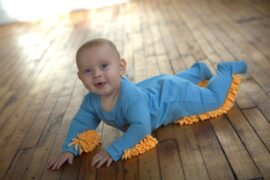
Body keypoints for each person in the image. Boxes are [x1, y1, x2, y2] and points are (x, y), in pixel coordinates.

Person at [47, 38, 247, 170]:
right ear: (80, 77)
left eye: (104, 66)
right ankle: (198, 70)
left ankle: (225, 70)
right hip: (156, 86)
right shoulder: (92, 100)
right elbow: (81, 122)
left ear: (121, 67)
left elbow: (142, 127)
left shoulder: (130, 97)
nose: (97, 74)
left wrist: (114, 149)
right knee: (169, 80)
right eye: (88, 71)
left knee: (214, 99)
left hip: (172, 97)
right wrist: (68, 148)